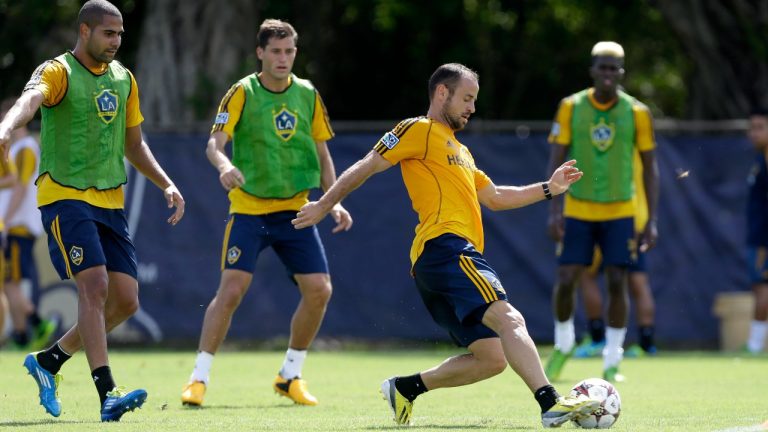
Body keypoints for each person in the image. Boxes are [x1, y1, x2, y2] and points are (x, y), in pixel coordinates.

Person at [292, 63, 597, 428]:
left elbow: (497, 196)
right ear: (442, 93)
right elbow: (368, 164)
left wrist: (550, 187)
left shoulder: (462, 151)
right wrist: (325, 204)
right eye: (466, 98)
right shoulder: (418, 129)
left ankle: (405, 388)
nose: (472, 107)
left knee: (492, 358)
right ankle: (550, 403)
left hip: (440, 261)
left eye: (474, 100)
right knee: (510, 319)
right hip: (446, 247)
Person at [0, 0, 185, 422]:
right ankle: (107, 394)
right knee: (95, 285)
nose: (116, 41)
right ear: (84, 31)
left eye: (120, 34)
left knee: (126, 301)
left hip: (109, 201)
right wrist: (6, 128)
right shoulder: (58, 71)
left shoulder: (124, 79)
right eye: (108, 33)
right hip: (64, 195)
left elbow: (134, 145)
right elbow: (29, 101)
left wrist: (166, 182)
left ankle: (49, 361)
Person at [180, 19, 351, 408]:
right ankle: (198, 379)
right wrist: (224, 166)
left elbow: (323, 152)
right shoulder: (243, 91)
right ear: (260, 53)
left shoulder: (308, 94)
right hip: (250, 210)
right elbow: (214, 143)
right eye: (275, 51)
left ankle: (290, 375)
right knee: (232, 291)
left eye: (289, 51)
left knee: (320, 290)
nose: (283, 58)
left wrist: (333, 200)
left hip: (295, 211)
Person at [544, 41, 659, 382]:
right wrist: (554, 209)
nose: (608, 74)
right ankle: (564, 343)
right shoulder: (571, 107)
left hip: (621, 211)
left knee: (617, 281)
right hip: (578, 208)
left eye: (615, 68)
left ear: (621, 73)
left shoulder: (637, 112)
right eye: (603, 67)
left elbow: (651, 168)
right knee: (566, 279)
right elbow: (556, 157)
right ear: (592, 70)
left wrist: (651, 219)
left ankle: (612, 358)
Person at [573, 151, 657, 358]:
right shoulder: (638, 146)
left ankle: (597, 338)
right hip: (635, 217)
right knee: (636, 280)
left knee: (586, 275)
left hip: (610, 216)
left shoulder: (610, 144)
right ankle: (647, 344)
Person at [0, 98, 58, 352]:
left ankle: (36, 323)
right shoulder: (17, 148)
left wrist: (5, 219)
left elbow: (21, 187)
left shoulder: (24, 148)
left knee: (9, 282)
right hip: (16, 224)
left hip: (17, 225)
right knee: (10, 281)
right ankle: (22, 333)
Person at [744, 108, 768, 354]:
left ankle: (754, 346)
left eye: (760, 127)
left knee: (762, 288)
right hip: (757, 235)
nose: (754, 133)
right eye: (751, 128)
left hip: (763, 238)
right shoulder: (760, 158)